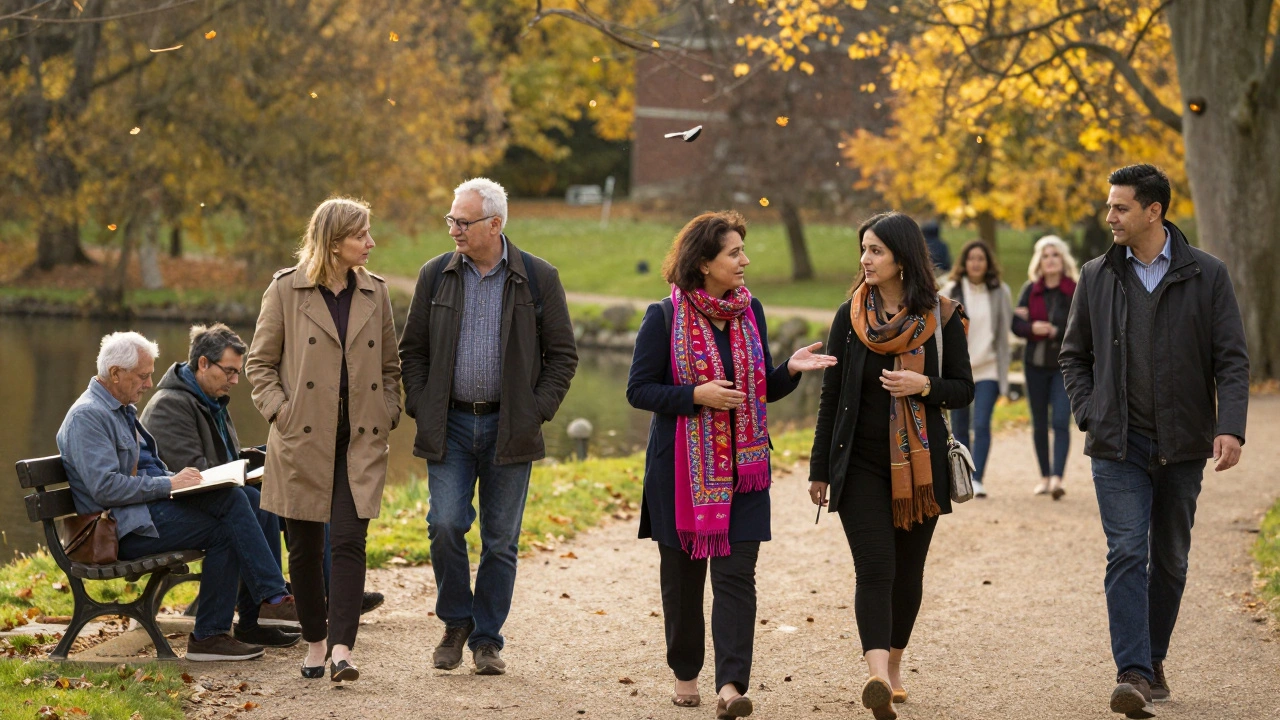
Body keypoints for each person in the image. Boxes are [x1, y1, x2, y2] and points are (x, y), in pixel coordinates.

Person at [627, 211, 835, 719]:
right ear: (703, 263)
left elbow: (757, 389)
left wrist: (789, 370)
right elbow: (639, 390)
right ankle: (685, 674)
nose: (745, 260)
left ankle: (731, 686)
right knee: (683, 582)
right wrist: (695, 395)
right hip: (681, 474)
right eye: (734, 252)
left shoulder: (750, 311)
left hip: (745, 470)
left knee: (738, 576)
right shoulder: (664, 317)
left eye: (743, 250)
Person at [1060, 164, 1249, 718]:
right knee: (1126, 551)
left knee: (1170, 559)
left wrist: (1230, 426)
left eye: (1120, 207)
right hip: (1117, 445)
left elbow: (1232, 360)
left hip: (1184, 444)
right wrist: (1090, 413)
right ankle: (1134, 673)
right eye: (1109, 206)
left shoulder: (1208, 274)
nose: (1110, 216)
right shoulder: (1096, 275)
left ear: (1153, 211)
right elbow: (1074, 356)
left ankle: (1153, 657)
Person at [399, 178, 578, 676]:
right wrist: (422, 404)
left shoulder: (538, 278)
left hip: (510, 427)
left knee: (500, 541)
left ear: (495, 224)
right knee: (445, 524)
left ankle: (486, 640)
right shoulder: (435, 275)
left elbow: (562, 356)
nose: (453, 229)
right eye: (451, 220)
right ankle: (456, 622)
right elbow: (412, 351)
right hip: (450, 425)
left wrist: (534, 410)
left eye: (463, 222)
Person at [809, 212, 973, 720]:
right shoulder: (850, 317)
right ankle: (877, 677)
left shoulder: (943, 317)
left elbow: (964, 389)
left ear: (902, 258)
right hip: (859, 464)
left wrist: (924, 386)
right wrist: (819, 468)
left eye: (875, 250)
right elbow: (831, 396)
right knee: (875, 568)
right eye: (863, 249)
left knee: (907, 573)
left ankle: (896, 665)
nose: (865, 259)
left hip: (921, 472)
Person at [57, 331, 295, 662]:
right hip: (121, 531)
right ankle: (253, 610)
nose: (149, 383)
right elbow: (106, 488)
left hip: (143, 514)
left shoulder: (120, 409)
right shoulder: (89, 416)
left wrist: (186, 481)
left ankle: (254, 614)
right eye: (142, 376)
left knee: (245, 498)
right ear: (115, 373)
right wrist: (170, 485)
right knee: (230, 517)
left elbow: (147, 469)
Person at [246, 196, 402, 682]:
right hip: (302, 439)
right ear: (334, 243)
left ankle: (342, 650)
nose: (370, 243)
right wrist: (281, 412)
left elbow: (391, 367)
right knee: (305, 549)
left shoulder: (376, 293)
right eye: (361, 235)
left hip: (360, 439)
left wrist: (389, 410)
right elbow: (259, 365)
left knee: (350, 542)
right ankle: (315, 642)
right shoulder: (285, 290)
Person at [140, 323, 298, 648]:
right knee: (242, 502)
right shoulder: (170, 404)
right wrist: (238, 474)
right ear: (203, 363)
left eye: (238, 372)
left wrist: (256, 465)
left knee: (261, 498)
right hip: (171, 505)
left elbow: (225, 459)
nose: (235, 380)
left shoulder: (211, 400)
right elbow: (191, 473)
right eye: (229, 371)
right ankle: (272, 596)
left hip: (207, 498)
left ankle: (255, 619)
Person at [941, 240, 1011, 497]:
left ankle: (978, 477)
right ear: (964, 262)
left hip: (988, 368)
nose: (976, 263)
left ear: (988, 263)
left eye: (981, 259)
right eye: (971, 259)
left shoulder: (1000, 291)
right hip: (960, 371)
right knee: (959, 426)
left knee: (981, 423)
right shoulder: (951, 290)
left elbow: (1004, 331)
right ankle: (964, 477)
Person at [1011, 237, 1078, 498]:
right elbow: (1016, 325)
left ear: (1063, 260)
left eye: (1055, 255)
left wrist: (1055, 331)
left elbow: (1082, 326)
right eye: (1045, 255)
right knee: (1039, 424)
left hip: (1064, 366)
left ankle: (1058, 479)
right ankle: (1045, 477)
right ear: (1039, 262)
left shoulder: (1074, 290)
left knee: (1060, 420)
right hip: (1035, 365)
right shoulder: (1030, 290)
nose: (1050, 260)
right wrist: (1032, 328)